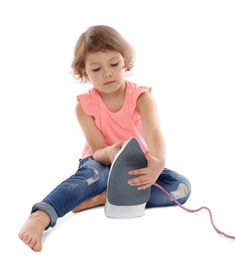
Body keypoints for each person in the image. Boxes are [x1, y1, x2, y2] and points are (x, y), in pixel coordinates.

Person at [18, 25, 191, 252]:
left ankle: (103, 198)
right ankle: (42, 215)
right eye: (97, 68)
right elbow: (97, 148)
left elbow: (154, 131)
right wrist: (109, 153)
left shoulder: (142, 98)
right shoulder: (84, 107)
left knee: (181, 187)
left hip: (135, 162)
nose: (107, 73)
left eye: (114, 64)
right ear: (84, 73)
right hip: (100, 160)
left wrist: (157, 162)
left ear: (125, 62)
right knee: (92, 177)